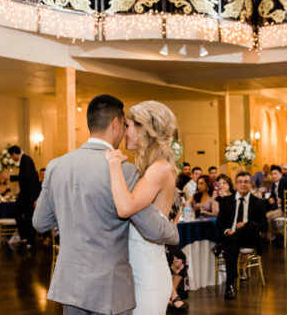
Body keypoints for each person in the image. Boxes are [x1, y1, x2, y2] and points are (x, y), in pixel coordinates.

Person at [33, 95, 178, 315]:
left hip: (70, 283)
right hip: (109, 288)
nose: (125, 131)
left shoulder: (55, 166)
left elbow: (40, 222)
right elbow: (150, 227)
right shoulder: (125, 170)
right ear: (115, 124)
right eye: (125, 125)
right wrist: (173, 231)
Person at [105, 100, 181, 315]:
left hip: (147, 275)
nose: (123, 132)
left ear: (144, 128)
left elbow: (125, 207)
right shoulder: (151, 167)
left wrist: (113, 166)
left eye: (127, 125)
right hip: (135, 270)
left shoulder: (159, 168)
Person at [212, 172, 268, 300]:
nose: (243, 184)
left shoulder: (258, 202)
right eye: (240, 181)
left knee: (251, 224)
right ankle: (229, 286)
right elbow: (220, 223)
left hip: (250, 238)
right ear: (236, 184)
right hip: (232, 237)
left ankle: (222, 246)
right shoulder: (226, 201)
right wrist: (227, 231)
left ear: (251, 184)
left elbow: (264, 226)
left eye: (246, 181)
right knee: (232, 245)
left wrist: (246, 225)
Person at [8, 145, 41, 250]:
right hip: (25, 194)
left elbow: (25, 176)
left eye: (11, 156)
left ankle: (29, 241)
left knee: (27, 217)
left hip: (28, 195)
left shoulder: (25, 159)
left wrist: (11, 177)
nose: (12, 159)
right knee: (17, 213)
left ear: (14, 154)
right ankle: (25, 239)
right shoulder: (24, 160)